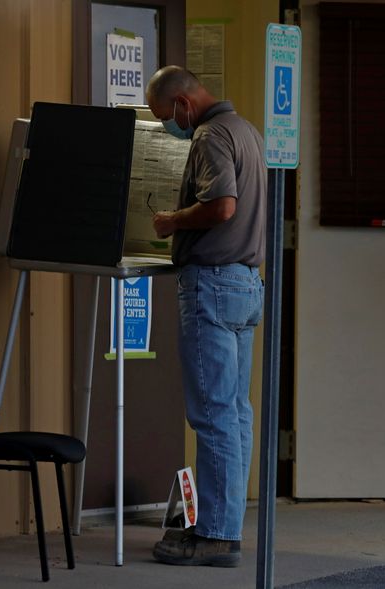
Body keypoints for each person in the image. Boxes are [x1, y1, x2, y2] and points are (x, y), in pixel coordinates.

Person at [145, 66, 266, 565]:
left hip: (212, 283)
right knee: (236, 414)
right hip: (245, 282)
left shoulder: (211, 135)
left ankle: (215, 535)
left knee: (213, 415)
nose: (169, 126)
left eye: (165, 117)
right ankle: (225, 524)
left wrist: (172, 220)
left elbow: (221, 205)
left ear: (182, 104)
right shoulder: (248, 131)